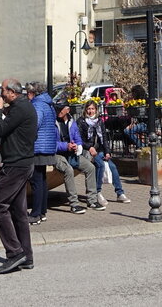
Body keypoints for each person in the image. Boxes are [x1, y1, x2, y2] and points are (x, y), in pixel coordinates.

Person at [0, 78, 37, 274]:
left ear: (12, 93)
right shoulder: (21, 106)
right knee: (18, 212)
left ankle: (15, 253)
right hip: (20, 163)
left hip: (17, 165)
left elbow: (0, 129)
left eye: (2, 90)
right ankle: (27, 256)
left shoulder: (20, 108)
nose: (0, 94)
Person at [28, 84, 85, 222]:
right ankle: (42, 212)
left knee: (36, 180)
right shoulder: (48, 104)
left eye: (28, 92)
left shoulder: (37, 105)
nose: (27, 95)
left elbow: (35, 124)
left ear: (33, 93)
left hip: (39, 147)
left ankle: (35, 214)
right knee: (41, 179)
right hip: (47, 147)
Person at [77, 100, 130, 205]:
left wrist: (107, 152)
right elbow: (79, 139)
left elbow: (104, 138)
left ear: (96, 110)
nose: (90, 111)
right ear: (85, 110)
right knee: (100, 165)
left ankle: (119, 193)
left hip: (99, 149)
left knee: (112, 167)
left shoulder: (99, 121)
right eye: (88, 109)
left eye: (92, 109)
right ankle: (97, 192)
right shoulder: (81, 121)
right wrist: (89, 147)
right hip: (86, 150)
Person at [54, 101, 100, 209]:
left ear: (68, 110)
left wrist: (77, 146)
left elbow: (78, 138)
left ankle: (92, 201)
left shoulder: (72, 122)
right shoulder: (53, 122)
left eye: (61, 109)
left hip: (71, 154)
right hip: (57, 154)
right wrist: (66, 146)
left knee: (90, 168)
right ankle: (74, 203)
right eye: (57, 109)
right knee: (68, 170)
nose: (58, 111)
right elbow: (50, 143)